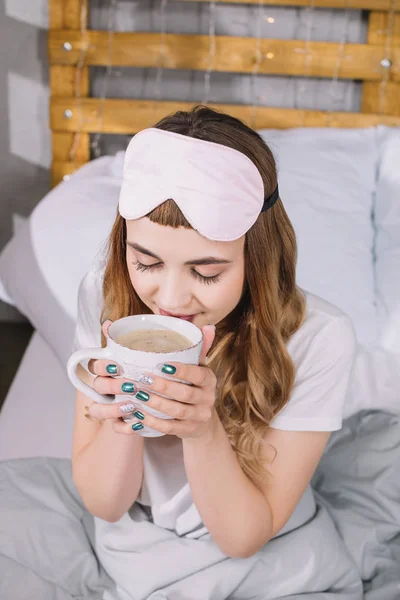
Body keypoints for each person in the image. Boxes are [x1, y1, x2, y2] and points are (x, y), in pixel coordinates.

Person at [71, 105, 357, 593]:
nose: (171, 299)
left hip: (269, 553)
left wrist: (203, 433)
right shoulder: (106, 299)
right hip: (137, 549)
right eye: (146, 263)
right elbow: (106, 504)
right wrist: (124, 404)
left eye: (206, 273)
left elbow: (244, 538)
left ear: (257, 257)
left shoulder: (319, 338)